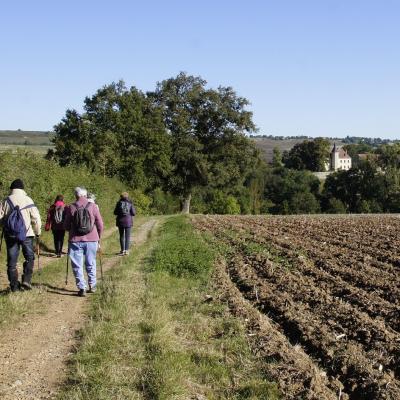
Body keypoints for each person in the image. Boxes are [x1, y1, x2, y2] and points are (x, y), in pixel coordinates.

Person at [0, 179, 41, 292]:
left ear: (11, 189)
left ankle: (14, 286)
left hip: (11, 235)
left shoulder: (6, 200)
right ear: (22, 189)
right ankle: (26, 280)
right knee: (29, 257)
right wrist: (38, 233)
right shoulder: (28, 200)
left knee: (12, 261)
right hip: (27, 234)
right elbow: (36, 219)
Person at [64, 187, 104, 297]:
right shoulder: (93, 206)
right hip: (92, 239)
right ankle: (93, 285)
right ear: (85, 195)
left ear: (76, 195)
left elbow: (66, 225)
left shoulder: (71, 207)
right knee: (91, 262)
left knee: (77, 264)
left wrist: (71, 230)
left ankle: (82, 287)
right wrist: (98, 236)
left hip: (75, 240)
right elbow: (100, 224)